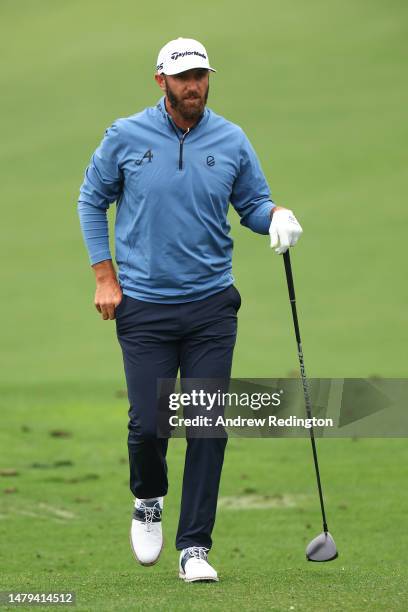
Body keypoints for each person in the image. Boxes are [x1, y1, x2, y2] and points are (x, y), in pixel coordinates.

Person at [77, 37, 302, 583]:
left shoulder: (231, 139)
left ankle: (194, 547)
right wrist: (105, 276)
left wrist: (274, 215)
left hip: (210, 307)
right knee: (149, 425)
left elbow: (249, 201)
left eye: (200, 75)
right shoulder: (126, 135)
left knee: (207, 425)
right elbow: (91, 198)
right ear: (161, 82)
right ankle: (148, 499)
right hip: (144, 307)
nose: (193, 85)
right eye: (182, 77)